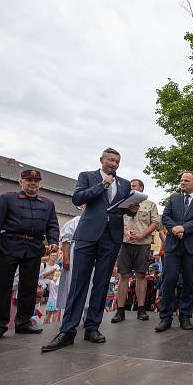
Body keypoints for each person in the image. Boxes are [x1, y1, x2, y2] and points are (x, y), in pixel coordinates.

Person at [42, 148, 136, 352]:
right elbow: (78, 199)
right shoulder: (87, 176)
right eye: (110, 160)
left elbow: (124, 207)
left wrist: (132, 208)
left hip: (111, 237)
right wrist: (102, 186)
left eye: (117, 161)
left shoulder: (125, 183)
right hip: (87, 235)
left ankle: (92, 326)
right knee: (79, 282)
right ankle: (67, 330)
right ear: (101, 160)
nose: (114, 164)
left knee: (101, 283)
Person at [0, 169, 59, 340]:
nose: (32, 184)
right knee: (3, 286)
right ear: (21, 182)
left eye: (35, 181)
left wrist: (53, 240)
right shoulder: (8, 198)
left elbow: (52, 225)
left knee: (29, 287)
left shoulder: (48, 203)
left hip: (34, 247)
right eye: (28, 180)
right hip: (10, 244)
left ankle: (23, 322)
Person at [154, 171, 193, 332]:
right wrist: (174, 229)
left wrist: (184, 228)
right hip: (173, 246)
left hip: (192, 247)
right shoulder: (174, 198)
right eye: (181, 180)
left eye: (186, 180)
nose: (182, 182)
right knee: (168, 280)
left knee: (189, 282)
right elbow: (166, 217)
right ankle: (165, 317)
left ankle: (185, 316)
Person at [111, 178, 160, 323]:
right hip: (125, 243)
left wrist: (142, 235)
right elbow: (117, 219)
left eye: (133, 186)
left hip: (143, 243)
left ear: (141, 188)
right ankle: (120, 311)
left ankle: (141, 309)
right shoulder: (123, 202)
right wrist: (125, 231)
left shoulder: (150, 204)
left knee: (141, 275)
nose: (130, 188)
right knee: (123, 275)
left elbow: (155, 223)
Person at [41, 252, 60, 324]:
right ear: (49, 256)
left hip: (53, 289)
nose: (54, 257)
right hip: (43, 288)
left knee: (51, 312)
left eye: (55, 255)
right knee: (48, 313)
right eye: (52, 255)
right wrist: (52, 271)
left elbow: (56, 278)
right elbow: (41, 276)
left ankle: (51, 327)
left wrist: (47, 275)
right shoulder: (43, 265)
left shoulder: (57, 266)